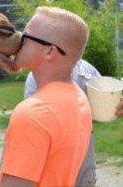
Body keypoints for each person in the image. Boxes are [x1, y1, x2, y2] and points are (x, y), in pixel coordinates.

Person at [0, 6, 92, 187]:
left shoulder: (34, 113)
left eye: (25, 37)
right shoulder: (79, 99)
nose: (17, 41)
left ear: (50, 52)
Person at [24, 59, 100, 187]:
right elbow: (32, 119)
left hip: (84, 151)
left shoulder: (88, 71)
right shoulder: (37, 75)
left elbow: (106, 94)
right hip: (55, 150)